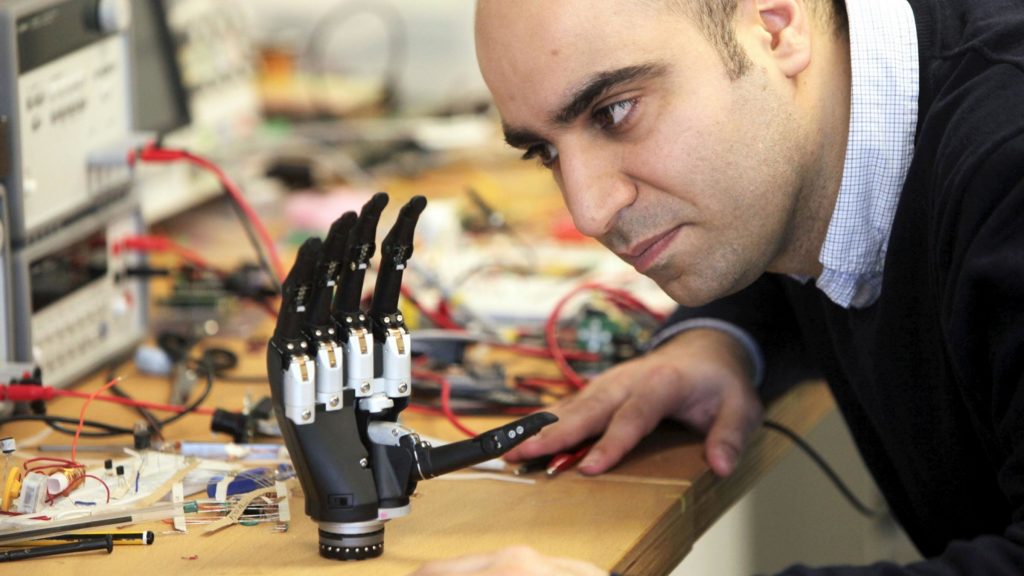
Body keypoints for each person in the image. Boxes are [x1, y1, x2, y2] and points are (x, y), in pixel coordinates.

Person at [411, 0, 1024, 573]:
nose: (590, 212)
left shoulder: (1007, 162)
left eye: (616, 111)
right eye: (545, 151)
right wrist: (717, 338)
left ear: (777, 25)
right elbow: (796, 201)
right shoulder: (845, 114)